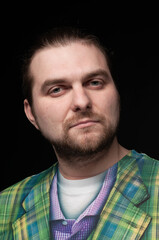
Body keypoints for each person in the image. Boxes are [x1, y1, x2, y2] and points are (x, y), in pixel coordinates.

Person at [0, 26, 158, 240]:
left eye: (94, 83)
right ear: (31, 113)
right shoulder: (6, 205)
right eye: (57, 89)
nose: (82, 102)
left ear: (117, 94)